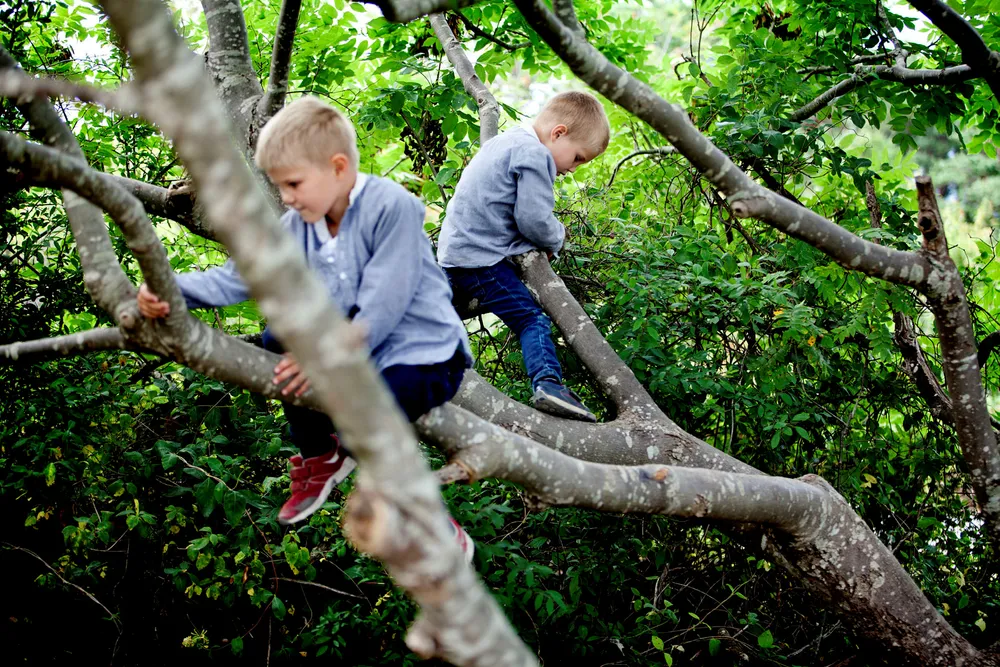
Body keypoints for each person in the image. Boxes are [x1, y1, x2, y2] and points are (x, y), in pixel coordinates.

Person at [136, 96, 474, 560]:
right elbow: (241, 276)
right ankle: (320, 454)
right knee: (278, 339)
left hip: (423, 356)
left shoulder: (390, 208)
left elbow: (385, 303)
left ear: (338, 168)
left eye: (293, 184)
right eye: (280, 186)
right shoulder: (298, 225)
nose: (287, 197)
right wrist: (169, 290)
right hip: (354, 353)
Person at [437, 91, 610, 422]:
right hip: (481, 261)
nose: (573, 169)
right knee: (531, 319)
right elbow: (533, 218)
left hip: (454, 255)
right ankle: (549, 384)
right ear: (558, 133)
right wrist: (557, 237)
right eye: (578, 158)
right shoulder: (535, 154)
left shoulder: (504, 141)